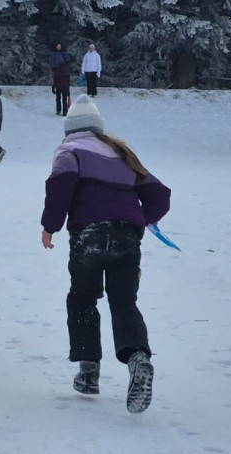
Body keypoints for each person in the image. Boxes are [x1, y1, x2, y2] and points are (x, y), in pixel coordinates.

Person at [40, 95, 171, 414]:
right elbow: (160, 195)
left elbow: (62, 186)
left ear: (69, 128)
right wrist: (144, 218)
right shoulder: (121, 153)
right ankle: (138, 358)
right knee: (124, 302)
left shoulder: (69, 150)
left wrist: (50, 226)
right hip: (127, 237)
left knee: (82, 298)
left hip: (89, 235)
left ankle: (88, 372)